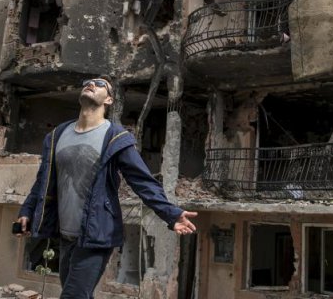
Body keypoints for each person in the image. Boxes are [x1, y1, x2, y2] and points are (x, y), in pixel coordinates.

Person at [15, 76, 197, 299]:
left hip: (97, 233)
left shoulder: (116, 137)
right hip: (65, 234)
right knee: (76, 293)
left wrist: (171, 214)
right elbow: (43, 181)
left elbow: (142, 181)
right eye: (88, 82)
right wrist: (26, 211)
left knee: (73, 296)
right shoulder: (57, 135)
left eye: (100, 84)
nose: (91, 84)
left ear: (109, 99)